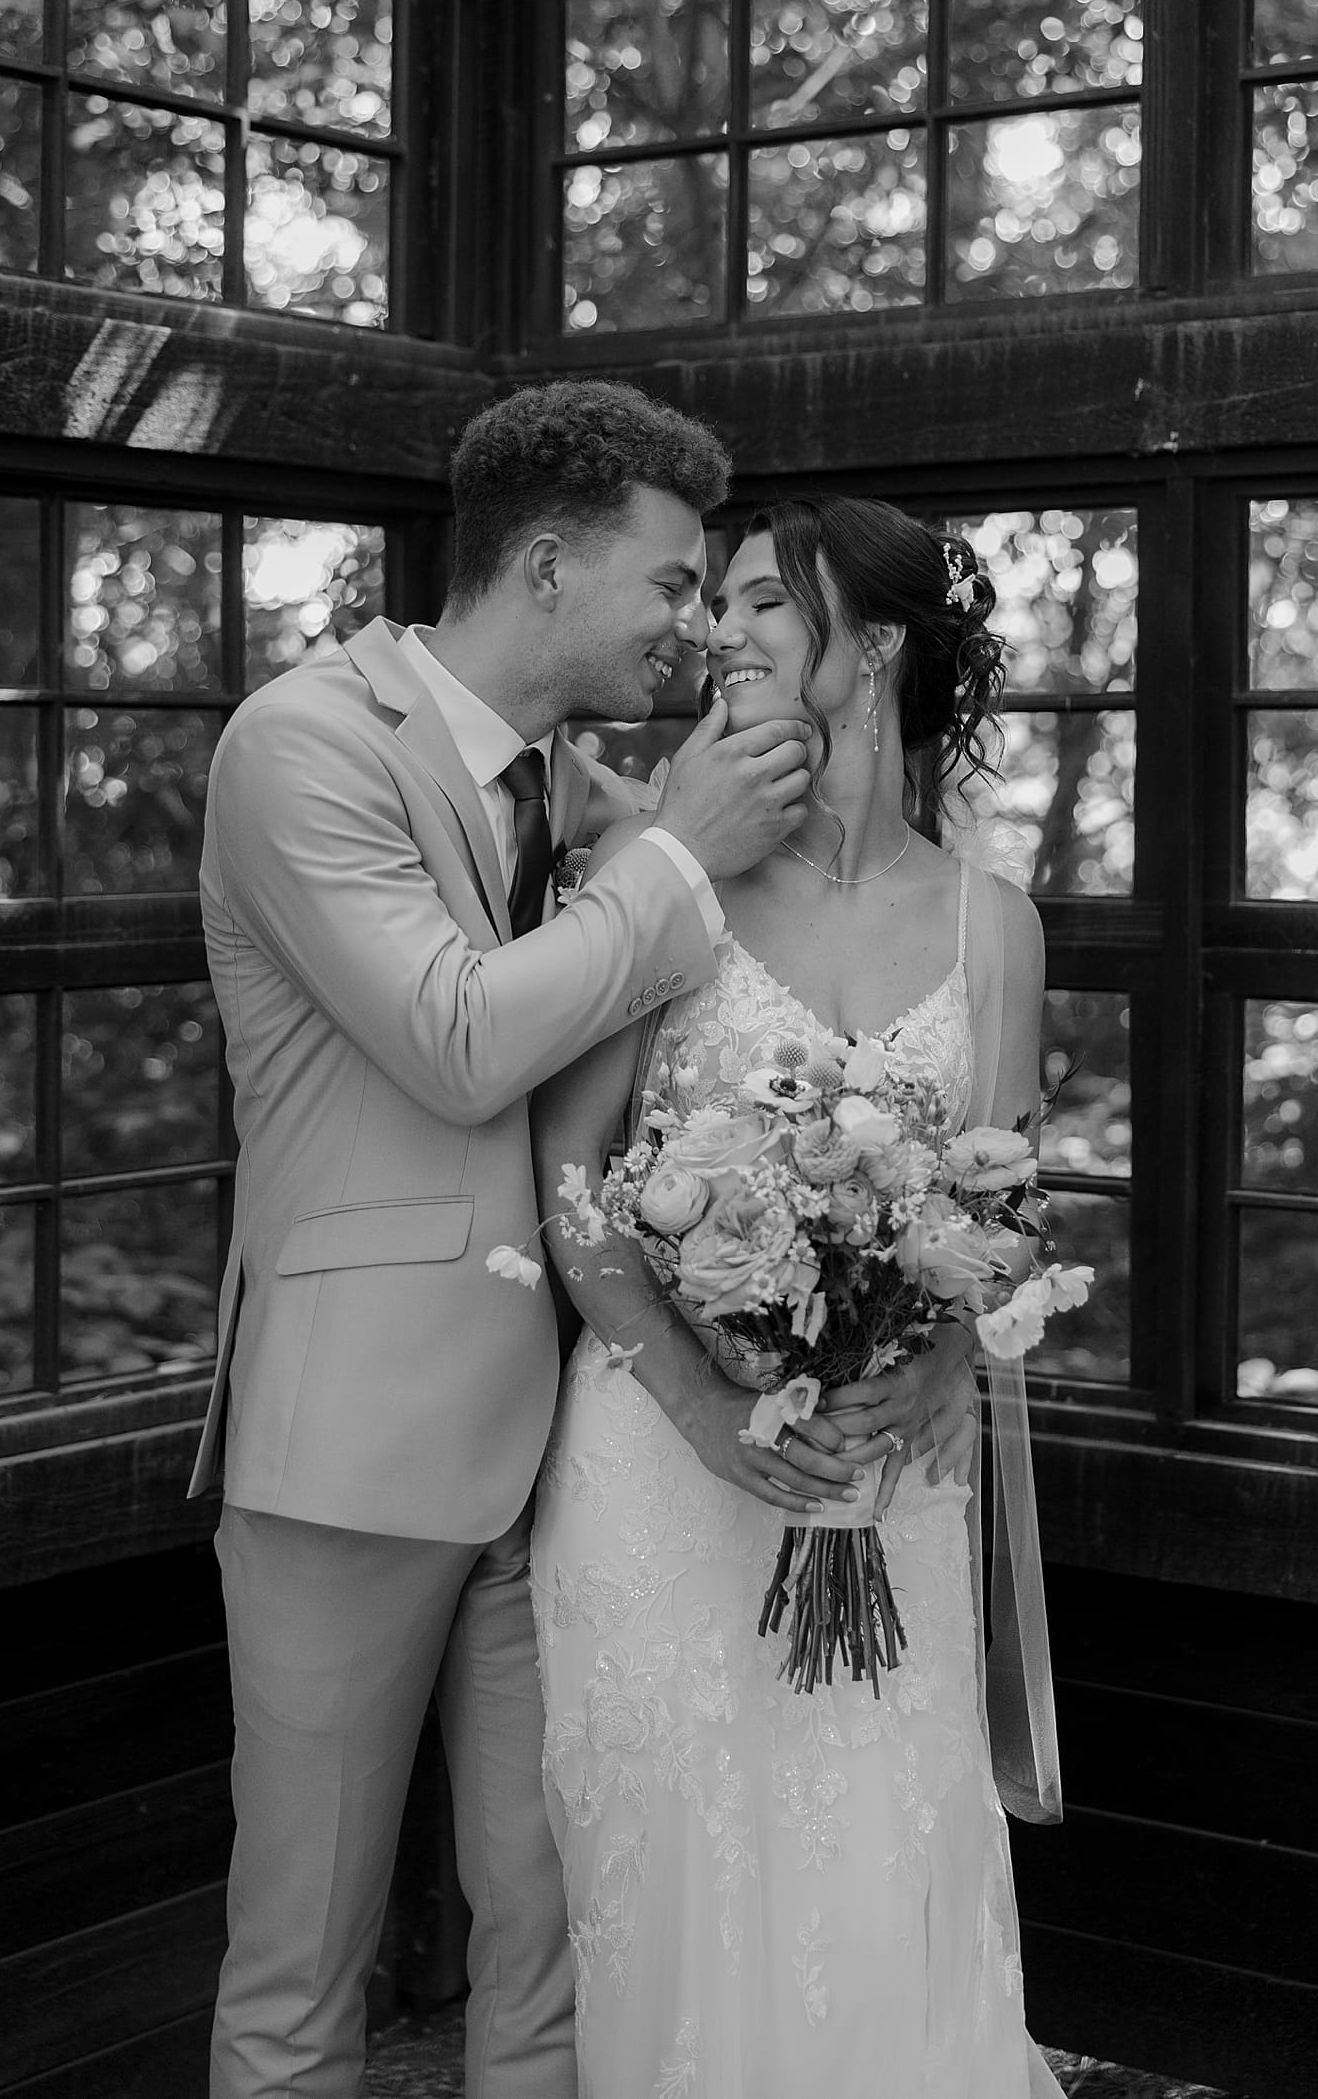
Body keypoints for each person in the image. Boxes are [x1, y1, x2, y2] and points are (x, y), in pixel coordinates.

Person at [189, 379, 821, 2099]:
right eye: (678, 582)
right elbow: (457, 1034)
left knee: (549, 1943)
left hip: (557, 1462)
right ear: (550, 568)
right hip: (351, 1451)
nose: (696, 622)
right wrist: (682, 850)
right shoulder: (303, 744)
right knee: (298, 1963)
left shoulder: (568, 784)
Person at [531, 497, 1064, 2098]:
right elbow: (572, 1186)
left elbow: (1004, 1199)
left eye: (768, 602)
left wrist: (947, 1350)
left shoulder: (996, 924)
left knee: (877, 1890)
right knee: (681, 1903)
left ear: (876, 646)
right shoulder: (658, 878)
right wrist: (705, 1404)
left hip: (881, 1478)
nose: (723, 631)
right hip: (665, 1476)